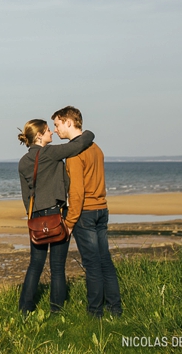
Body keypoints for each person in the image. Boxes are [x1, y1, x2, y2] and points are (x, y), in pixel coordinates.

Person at [17, 119, 94, 313]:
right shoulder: (49, 153)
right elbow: (79, 145)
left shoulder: (23, 161)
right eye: (48, 130)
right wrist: (90, 133)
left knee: (35, 264)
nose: (52, 132)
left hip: (35, 217)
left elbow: (26, 196)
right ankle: (57, 310)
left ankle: (25, 309)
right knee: (57, 266)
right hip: (56, 214)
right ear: (40, 135)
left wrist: (32, 217)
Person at [54, 106, 123, 317]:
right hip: (102, 209)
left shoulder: (75, 154)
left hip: (85, 212)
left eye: (57, 125)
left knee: (92, 265)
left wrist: (70, 222)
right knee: (105, 262)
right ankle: (115, 309)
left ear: (68, 122)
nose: (56, 130)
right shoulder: (96, 148)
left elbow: (76, 192)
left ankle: (95, 313)